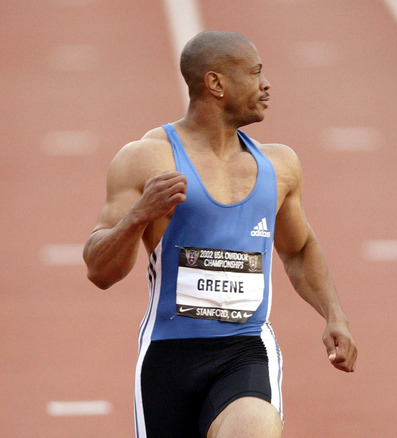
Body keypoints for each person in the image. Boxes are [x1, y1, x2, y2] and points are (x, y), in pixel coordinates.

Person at [83, 30, 357, 438]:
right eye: (255, 73)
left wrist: (334, 315)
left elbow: (298, 250)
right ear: (215, 83)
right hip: (168, 354)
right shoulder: (146, 158)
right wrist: (138, 216)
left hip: (245, 349)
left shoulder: (279, 166)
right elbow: (100, 270)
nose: (266, 86)